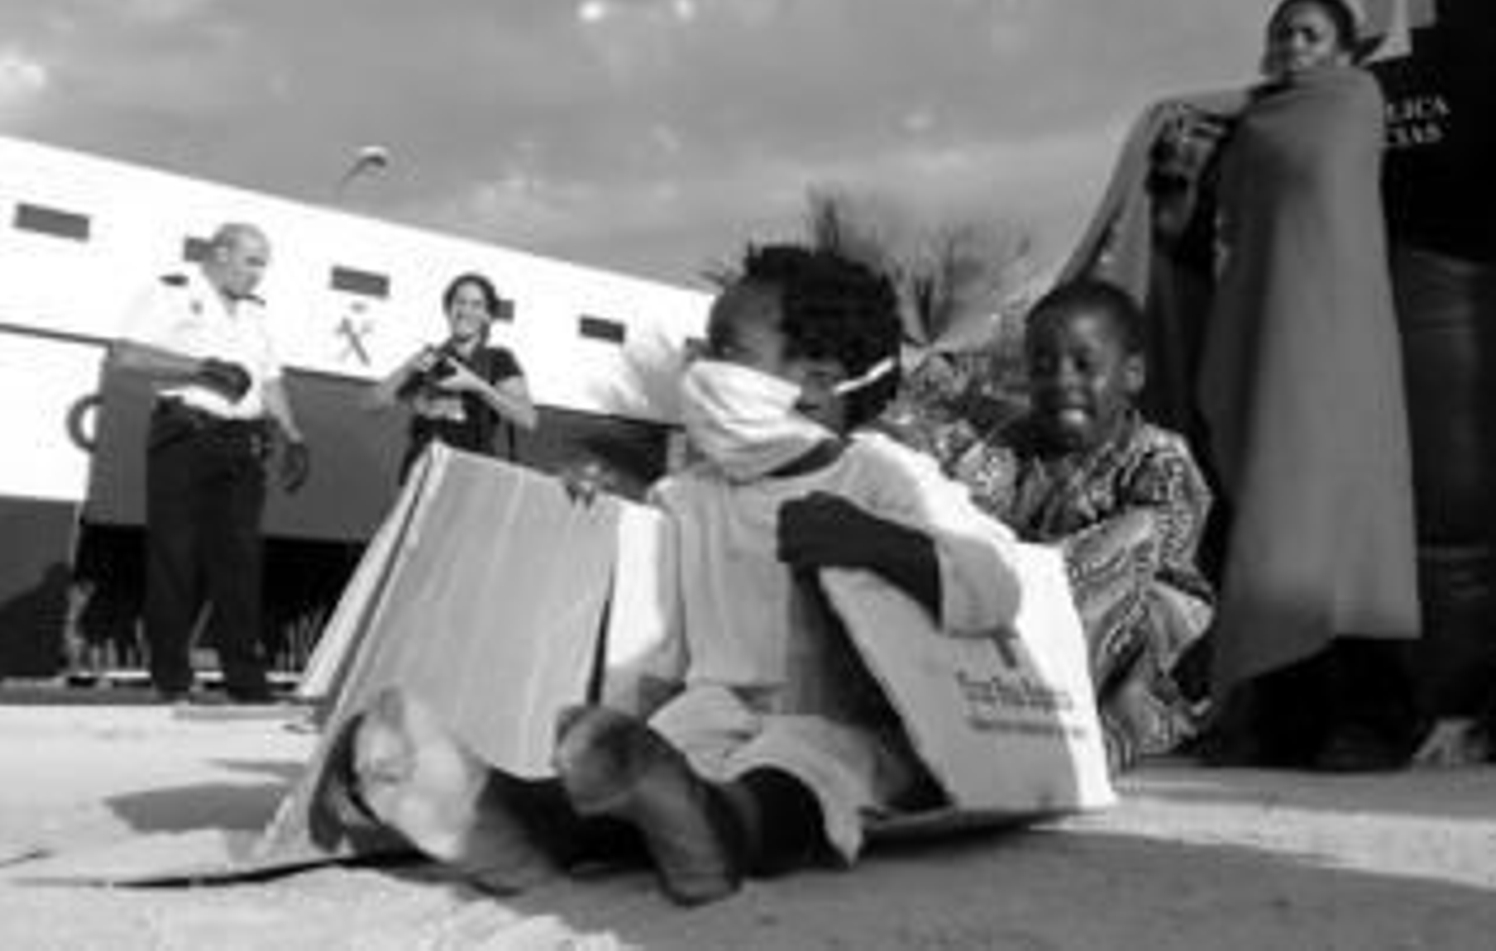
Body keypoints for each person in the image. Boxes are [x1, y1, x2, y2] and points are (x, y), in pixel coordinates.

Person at [324, 243, 1025, 905]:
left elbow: (997, 580)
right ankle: (517, 817)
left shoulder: (880, 473)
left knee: (809, 762)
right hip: (715, 704)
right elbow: (649, 602)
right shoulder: (690, 494)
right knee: (652, 765)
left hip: (849, 718)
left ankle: (727, 834)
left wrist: (876, 540)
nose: (698, 368)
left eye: (726, 350)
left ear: (815, 383)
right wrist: (589, 500)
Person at [1186, 0, 1421, 770]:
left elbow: (1311, 166)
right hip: (1273, 344)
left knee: (1349, 530)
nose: (1293, 45)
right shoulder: (1251, 132)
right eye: (1281, 32)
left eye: (1310, 34)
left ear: (1346, 52)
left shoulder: (1355, 103)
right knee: (1281, 526)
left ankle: (1378, 724)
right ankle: (1283, 724)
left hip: (1342, 349)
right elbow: (1239, 226)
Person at [950, 279, 1213, 770]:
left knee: (1136, 537)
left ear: (1132, 373)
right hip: (1018, 627)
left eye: (1084, 365)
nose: (1061, 381)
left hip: (1131, 653)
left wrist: (1069, 578)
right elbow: (966, 520)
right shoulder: (1008, 446)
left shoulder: (1160, 458)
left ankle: (1091, 745)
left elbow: (1172, 590)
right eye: (1042, 367)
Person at [113, 222, 310, 704]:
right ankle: (173, 681)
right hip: (185, 435)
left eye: (264, 264)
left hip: (242, 446)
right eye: (252, 261)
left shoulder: (255, 314)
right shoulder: (172, 292)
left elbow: (269, 381)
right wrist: (198, 368)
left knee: (240, 567)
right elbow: (126, 355)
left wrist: (294, 435)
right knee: (174, 558)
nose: (259, 274)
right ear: (220, 253)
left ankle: (247, 684)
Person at [366, 272, 537, 479]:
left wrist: (476, 385)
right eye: (460, 302)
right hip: (419, 477)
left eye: (476, 305)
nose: (465, 310)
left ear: (488, 316)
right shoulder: (430, 358)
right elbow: (370, 403)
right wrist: (408, 369)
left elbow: (528, 419)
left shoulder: (498, 359)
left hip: (469, 481)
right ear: (448, 309)